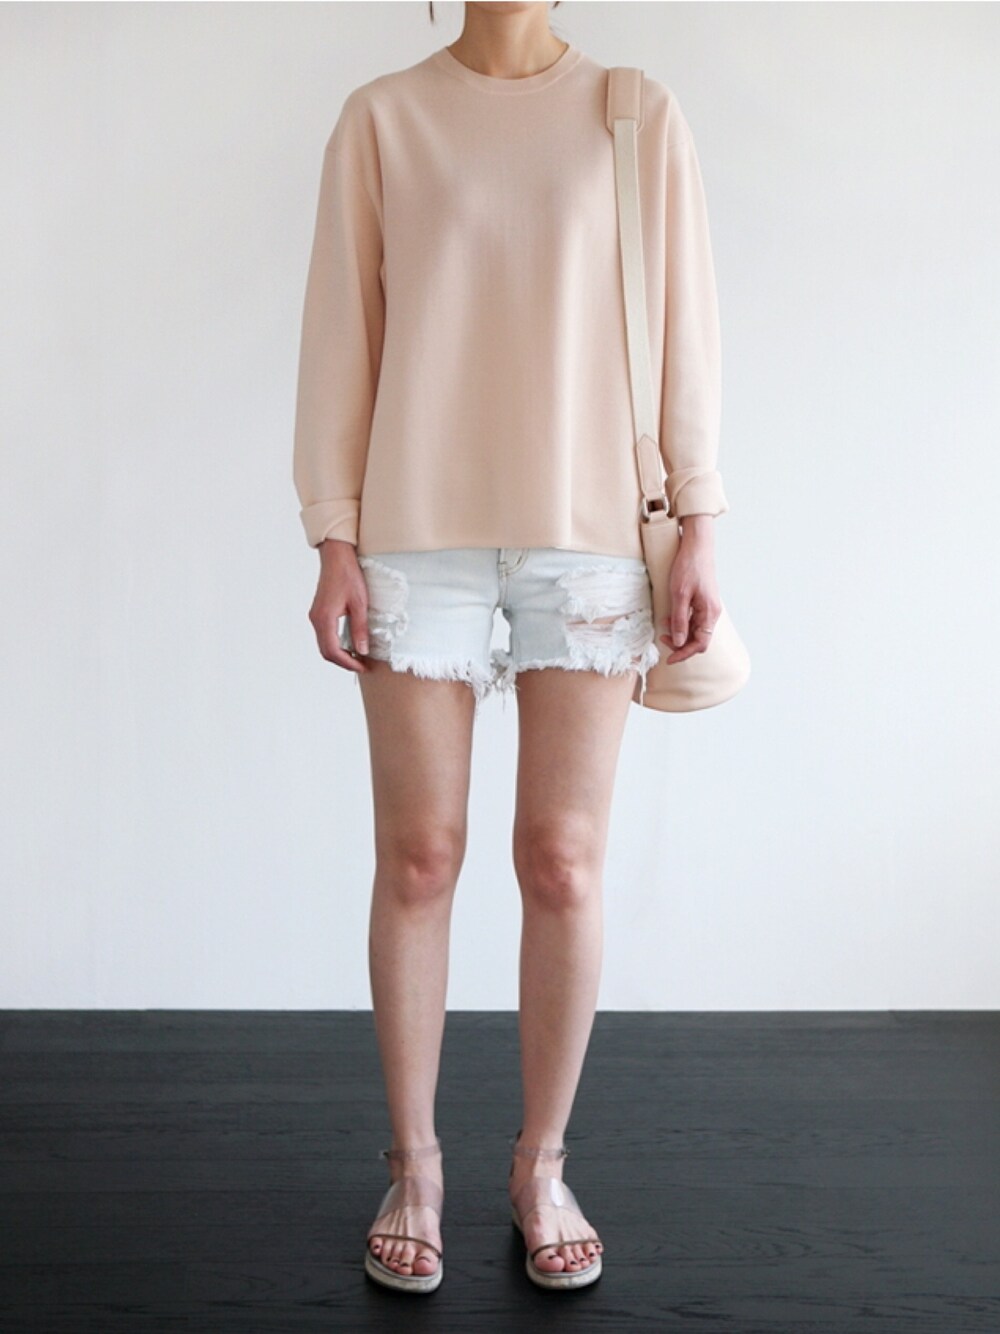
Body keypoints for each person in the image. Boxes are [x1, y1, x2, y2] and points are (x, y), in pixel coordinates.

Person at [292, 0, 729, 1295]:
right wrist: (331, 533)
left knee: (564, 858)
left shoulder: (636, 114)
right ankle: (416, 1166)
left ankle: (541, 1165)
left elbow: (687, 328)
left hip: (590, 539)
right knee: (420, 856)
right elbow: (341, 338)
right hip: (412, 533)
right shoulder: (383, 120)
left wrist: (702, 519)